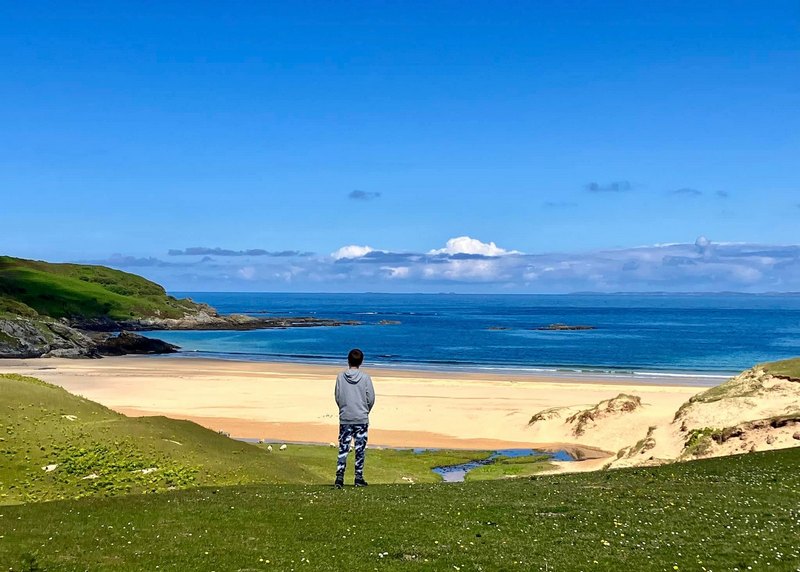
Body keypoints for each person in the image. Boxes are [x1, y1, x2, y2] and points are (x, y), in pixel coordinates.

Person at [334, 348, 375, 488]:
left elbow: (338, 396)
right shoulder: (365, 378)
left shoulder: (340, 377)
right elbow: (371, 398)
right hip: (360, 418)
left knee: (343, 448)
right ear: (361, 362)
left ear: (348, 360)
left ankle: (340, 478)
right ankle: (358, 478)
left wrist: (344, 408)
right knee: (360, 449)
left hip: (346, 417)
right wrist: (364, 410)